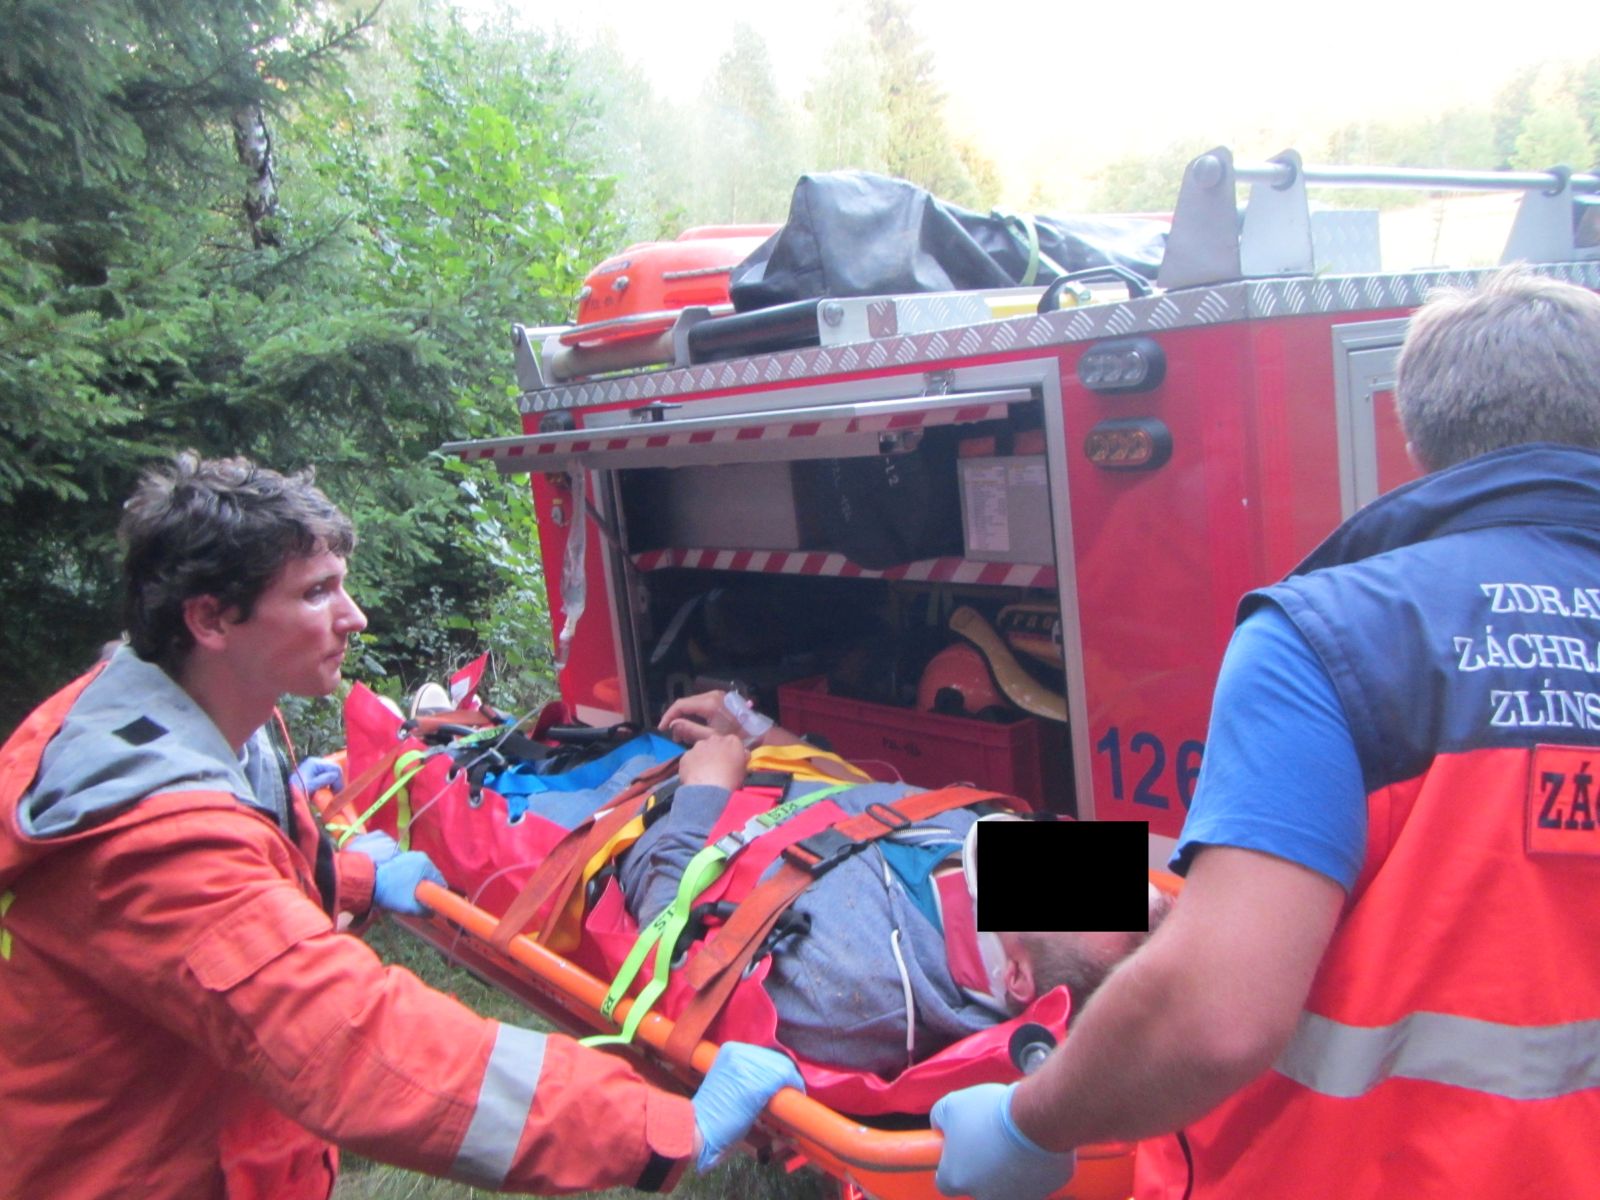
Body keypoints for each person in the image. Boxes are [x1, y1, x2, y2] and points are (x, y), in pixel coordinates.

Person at [931, 267, 1600, 1200]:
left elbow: (1214, 1016)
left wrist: (1026, 1125)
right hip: (947, 847)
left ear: (1415, 439)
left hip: (1368, 1175)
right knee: (1009, 855)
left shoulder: (1334, 632)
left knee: (995, 860)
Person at [0, 453, 799, 1200]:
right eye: (316, 593)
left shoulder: (194, 713)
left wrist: (346, 878)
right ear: (210, 618)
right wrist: (661, 1127)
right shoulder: (153, 833)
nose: (354, 616)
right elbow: (355, 1050)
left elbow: (235, 905)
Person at [637, 691, 1170, 1077]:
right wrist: (753, 727)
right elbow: (870, 799)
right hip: (740, 766)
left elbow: (664, 962)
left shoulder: (849, 991)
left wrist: (705, 793)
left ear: (1015, 976)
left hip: (642, 814)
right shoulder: (981, 851)